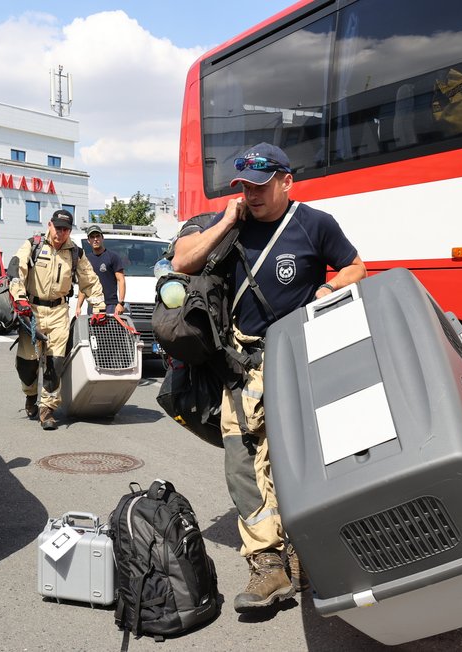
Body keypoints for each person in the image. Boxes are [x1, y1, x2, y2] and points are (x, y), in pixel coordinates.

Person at [172, 142, 366, 613]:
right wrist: (226, 221)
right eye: (245, 187)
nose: (252, 195)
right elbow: (181, 263)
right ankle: (266, 563)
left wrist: (327, 287)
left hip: (296, 358)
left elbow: (357, 266)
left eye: (260, 187)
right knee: (241, 460)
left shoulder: (315, 223)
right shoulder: (227, 225)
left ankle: (302, 551)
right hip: (242, 364)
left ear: (285, 181)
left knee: (292, 458)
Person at [10, 209, 105, 430]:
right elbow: (17, 268)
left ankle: (47, 409)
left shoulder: (76, 253)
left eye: (65, 229)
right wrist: (19, 298)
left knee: (55, 362)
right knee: (27, 363)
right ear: (49, 225)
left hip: (59, 312)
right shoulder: (33, 245)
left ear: (69, 231)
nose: (60, 233)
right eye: (57, 227)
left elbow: (89, 281)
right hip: (31, 311)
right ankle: (30, 395)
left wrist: (99, 307)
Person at [75, 224, 126, 316]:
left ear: (102, 238)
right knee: (93, 330)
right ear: (88, 240)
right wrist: (78, 306)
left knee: (110, 330)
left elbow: (121, 280)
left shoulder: (113, 257)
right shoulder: (85, 260)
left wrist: (120, 303)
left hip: (110, 305)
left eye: (98, 236)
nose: (95, 239)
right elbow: (84, 284)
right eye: (92, 237)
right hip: (93, 304)